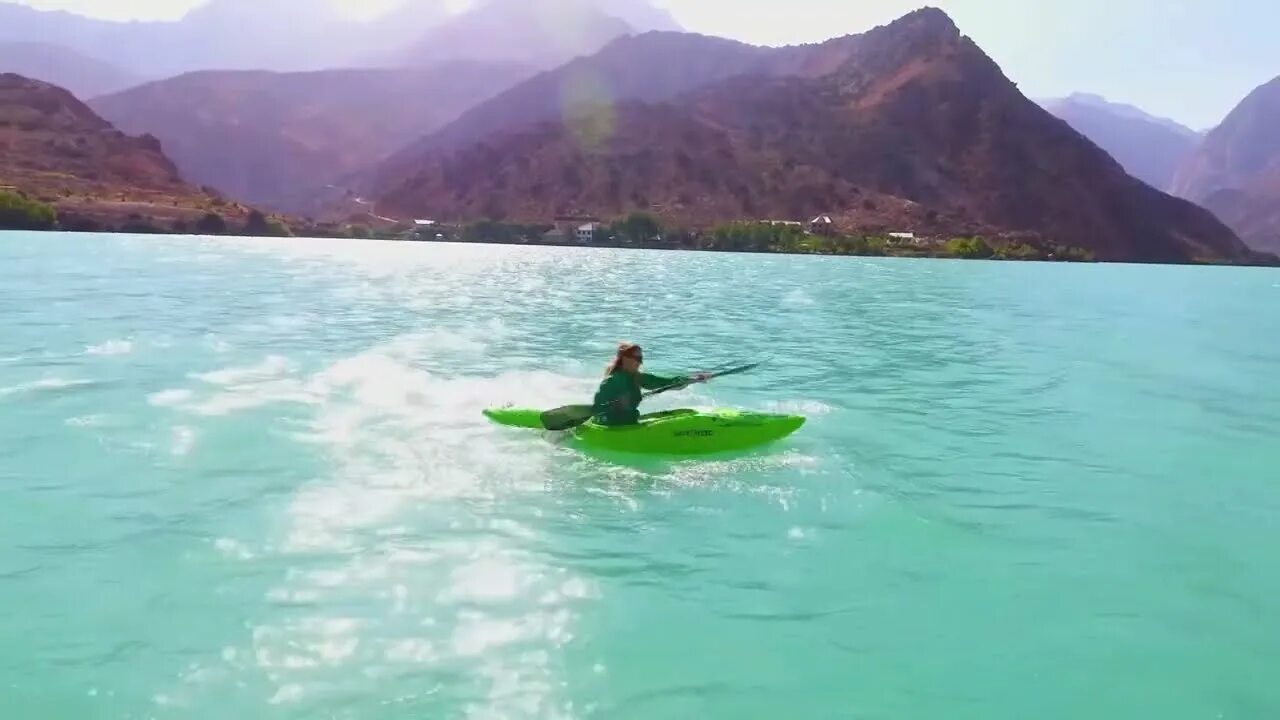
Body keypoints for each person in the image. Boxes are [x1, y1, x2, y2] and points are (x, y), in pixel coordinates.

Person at [592, 343, 707, 426]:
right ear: (625, 359)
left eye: (641, 358)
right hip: (611, 425)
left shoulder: (637, 377)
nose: (640, 362)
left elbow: (667, 383)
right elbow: (601, 407)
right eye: (637, 358)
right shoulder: (615, 380)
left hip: (628, 422)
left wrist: (694, 379)